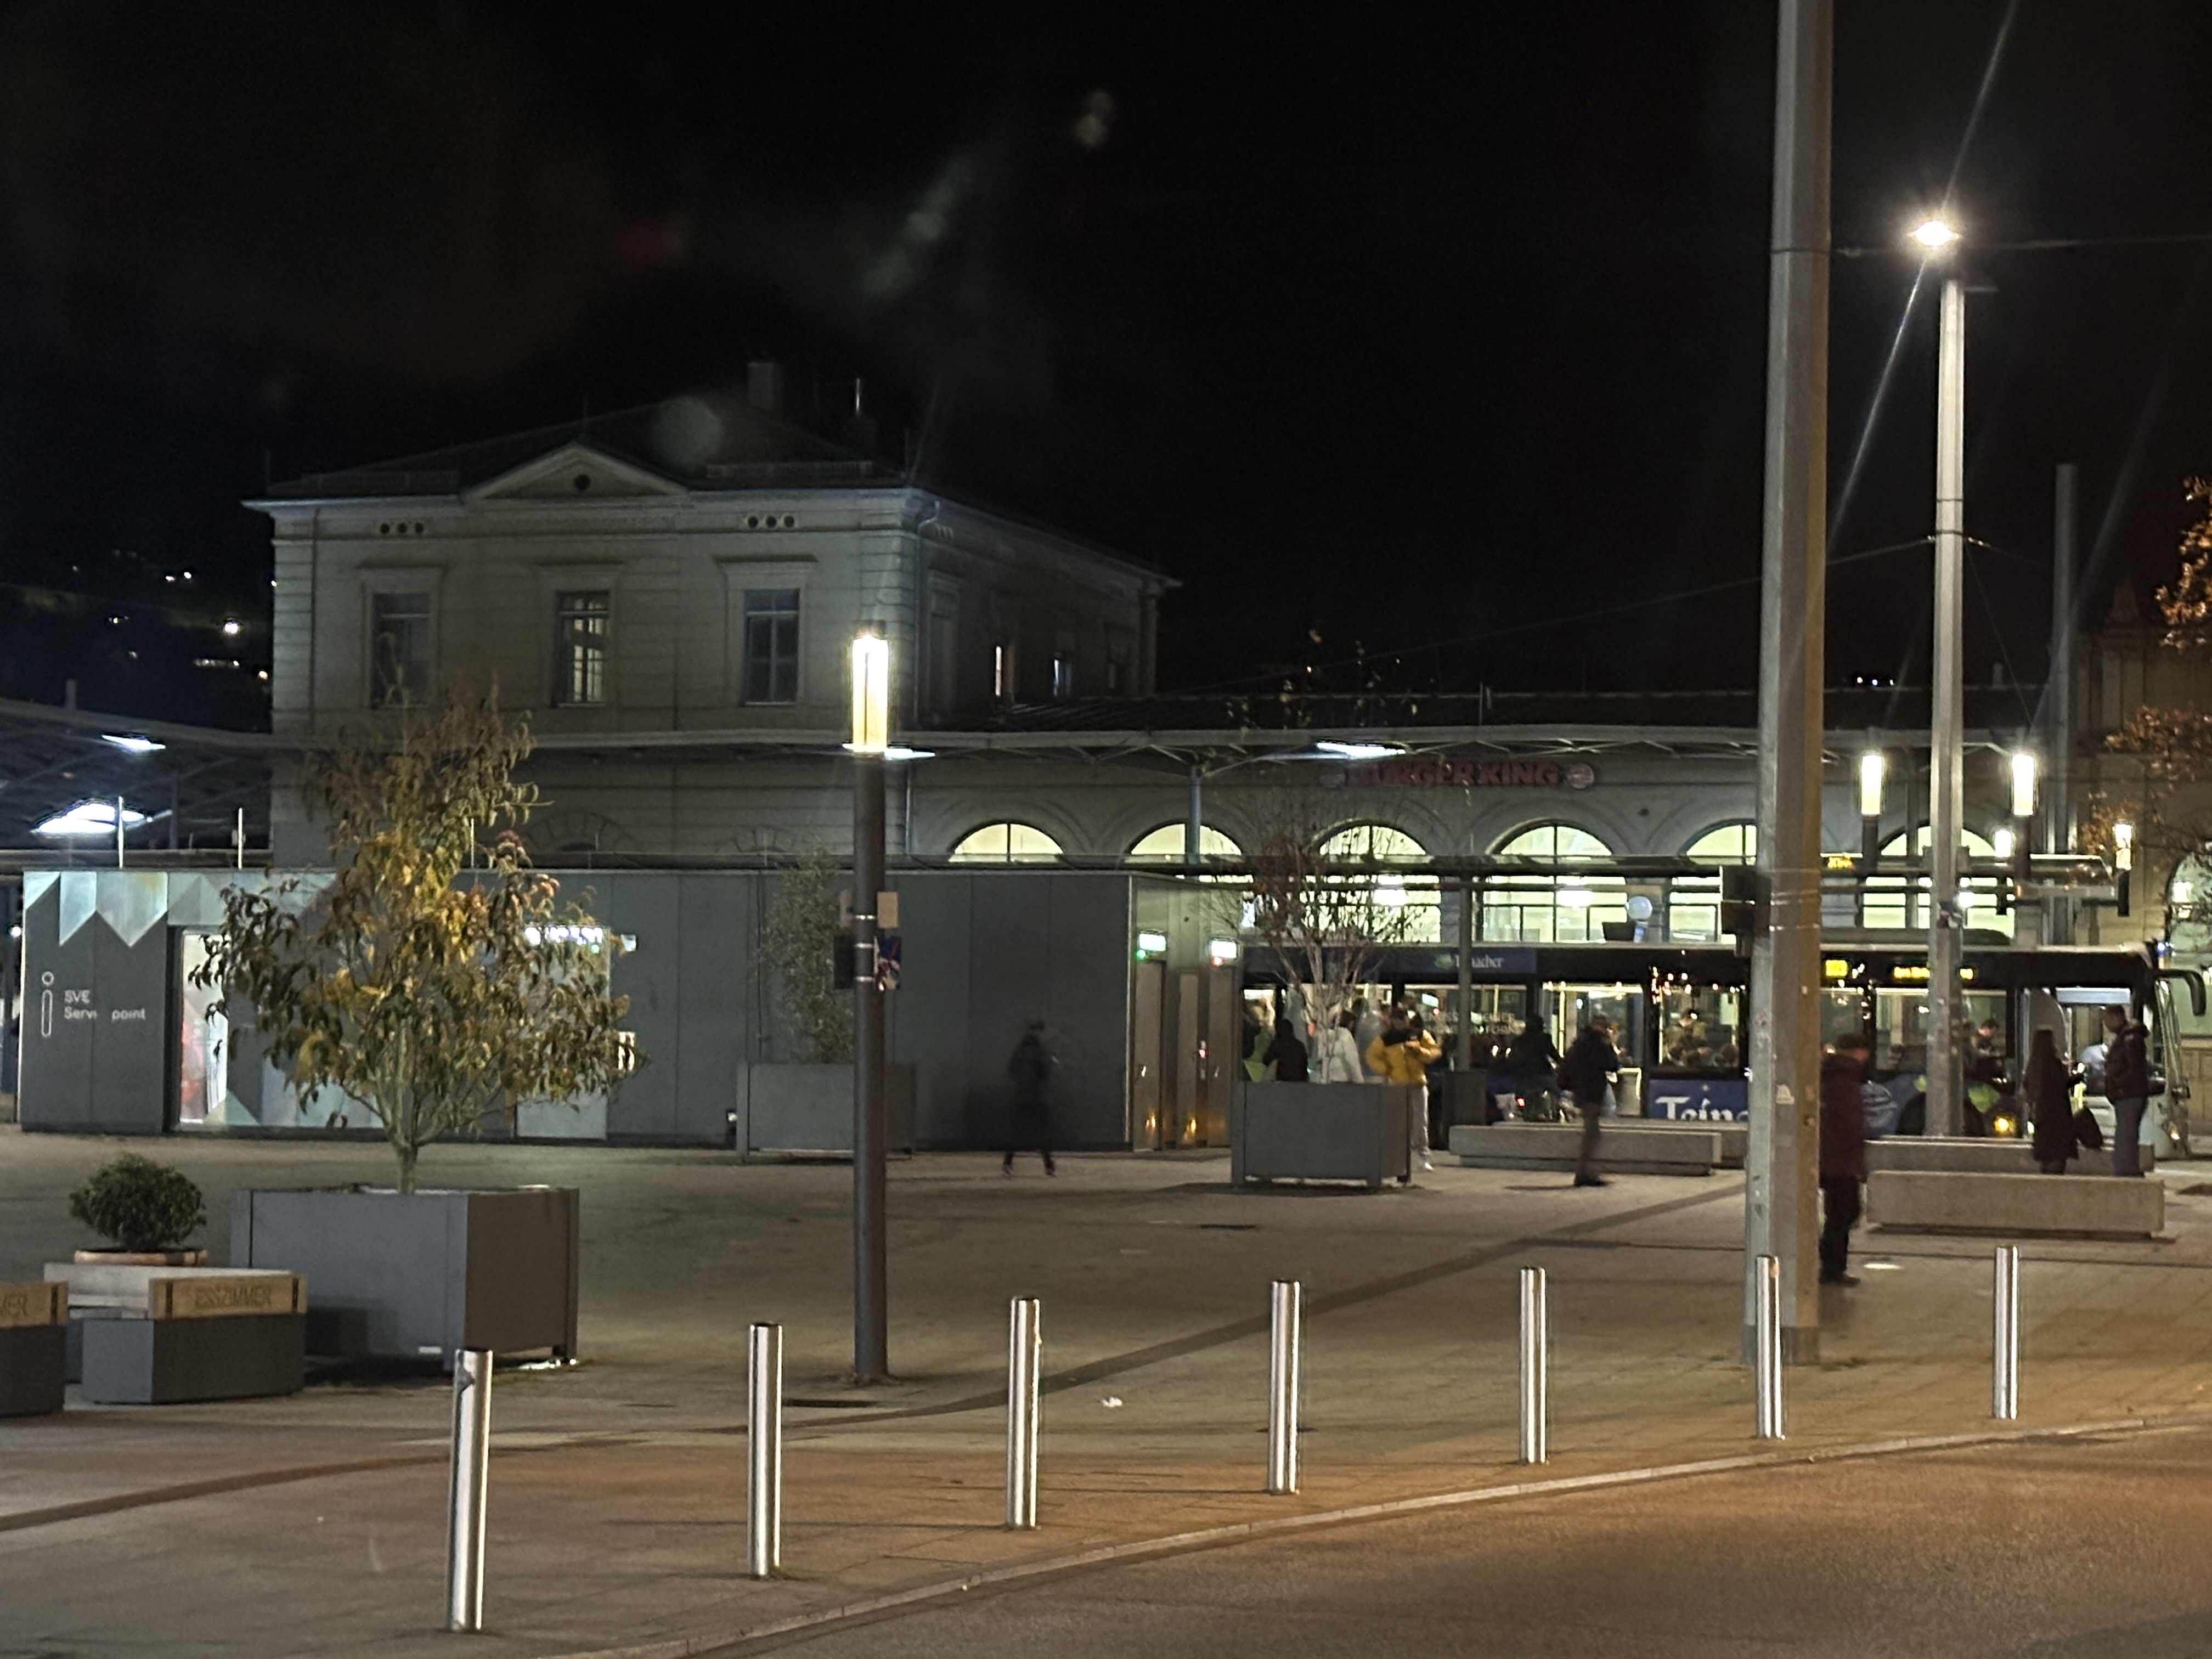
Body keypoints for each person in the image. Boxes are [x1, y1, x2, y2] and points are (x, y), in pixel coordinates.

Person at [1819, 1032, 1871, 1285]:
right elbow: (1849, 1125)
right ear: (1856, 1052)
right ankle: (1831, 1266)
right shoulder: (1844, 1078)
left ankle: (1831, 1264)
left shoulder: (1836, 1075)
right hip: (1841, 1161)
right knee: (1845, 1211)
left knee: (1839, 1212)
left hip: (1835, 1159)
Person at [1366, 1011, 1441, 1170]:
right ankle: (1398, 1157)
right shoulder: (1386, 1039)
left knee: (1420, 1121)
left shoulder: (1418, 1034)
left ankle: (1422, 1155)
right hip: (1398, 1084)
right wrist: (1387, 1069)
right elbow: (1372, 1056)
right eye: (1396, 1020)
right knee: (1399, 1122)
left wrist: (1419, 1052)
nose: (1400, 1023)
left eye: (1402, 1020)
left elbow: (1434, 1052)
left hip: (1417, 1083)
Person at [1555, 1014, 1619, 1188]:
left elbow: (1567, 1066)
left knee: (1592, 1132)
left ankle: (1585, 1171)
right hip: (1592, 1091)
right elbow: (1613, 1064)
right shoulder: (1598, 1043)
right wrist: (1610, 1044)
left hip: (1583, 1091)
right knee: (1592, 1133)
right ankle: (1584, 1173)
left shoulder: (1580, 1042)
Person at [2101, 1003, 2152, 1176]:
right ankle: (2126, 1170)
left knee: (2125, 1136)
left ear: (2118, 1018)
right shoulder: (2128, 1037)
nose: (2105, 1024)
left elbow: (2133, 1070)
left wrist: (2117, 1083)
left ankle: (2126, 1173)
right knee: (2126, 1135)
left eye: (2107, 1019)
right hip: (2129, 1094)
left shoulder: (2129, 1039)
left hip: (2128, 1094)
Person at [1003, 1020, 1057, 1177]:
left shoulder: (1020, 1050)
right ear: (1041, 1032)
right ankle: (1048, 1165)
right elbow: (1046, 1073)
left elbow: (1012, 1070)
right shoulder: (1041, 1051)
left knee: (1017, 1132)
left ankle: (1008, 1162)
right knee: (1043, 1132)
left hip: (1021, 1097)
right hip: (1038, 1097)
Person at [2024, 1028, 2075, 1174]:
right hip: (2058, 1113)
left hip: (2041, 1114)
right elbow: (2061, 1084)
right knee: (2058, 1150)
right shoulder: (2054, 1064)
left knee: (2047, 1150)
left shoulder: (2033, 1065)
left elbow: (2027, 1085)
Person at [1504, 1015, 1562, 1120]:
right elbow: (1553, 1054)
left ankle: (1520, 1107)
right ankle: (1557, 1110)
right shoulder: (1544, 1038)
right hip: (1542, 1072)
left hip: (1523, 1074)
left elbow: (1512, 1058)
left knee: (1520, 1092)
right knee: (1556, 1090)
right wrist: (1562, 1064)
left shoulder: (1518, 1041)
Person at [1313, 1010, 1363, 1084]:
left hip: (1325, 1080)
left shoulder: (1323, 1035)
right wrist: (1360, 1081)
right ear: (1349, 1023)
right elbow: (1352, 1060)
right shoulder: (1346, 1035)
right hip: (1342, 1079)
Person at [1262, 1015, 1309, 1082]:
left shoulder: (1277, 1044)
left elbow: (1266, 1060)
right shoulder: (1300, 1045)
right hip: (1300, 1082)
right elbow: (1305, 1064)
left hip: (1284, 1082)